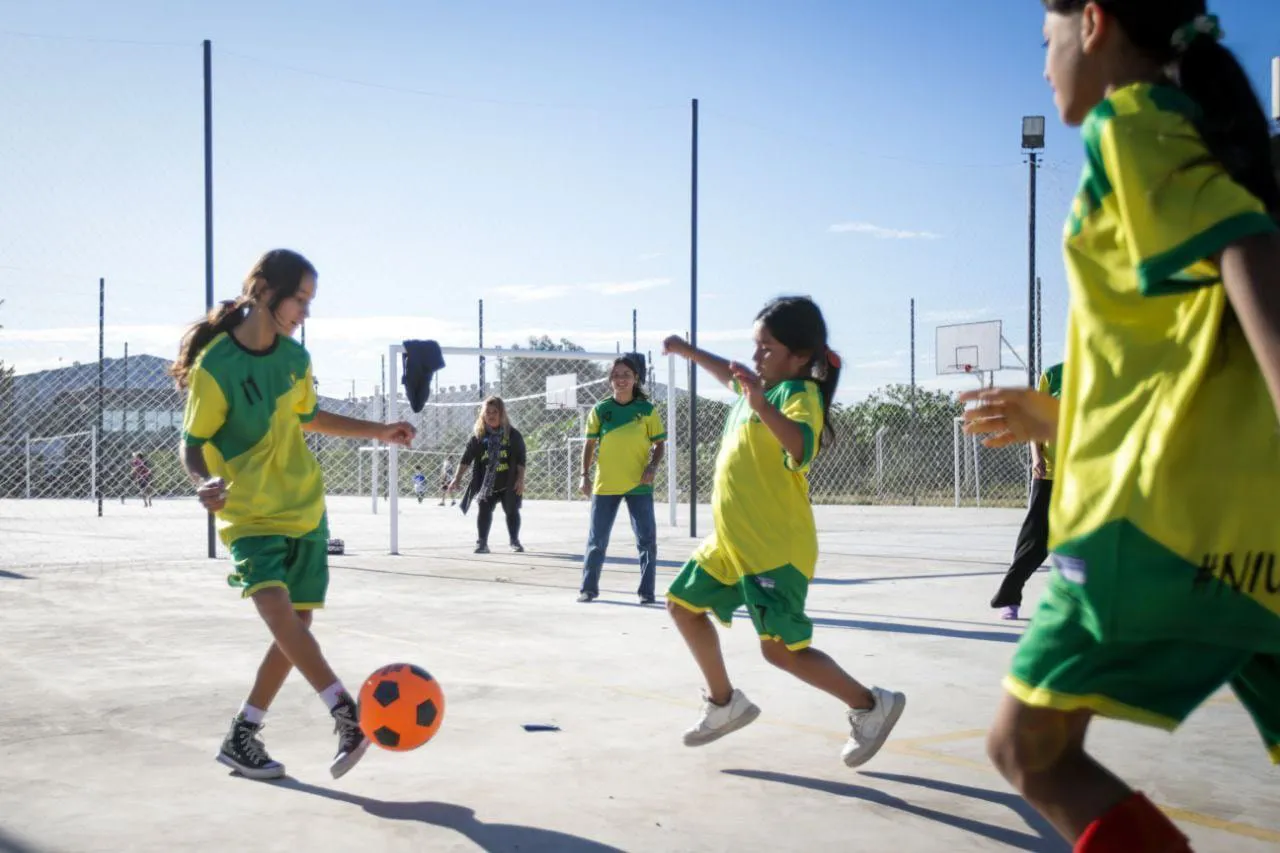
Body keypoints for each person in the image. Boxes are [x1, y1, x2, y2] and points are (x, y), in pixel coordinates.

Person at [962, 4, 1280, 851]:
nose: (1043, 65)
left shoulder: (1129, 127)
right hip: (1253, 538)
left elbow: (1248, 247)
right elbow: (1192, 378)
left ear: (1092, 22)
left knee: (1027, 748)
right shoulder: (1219, 144)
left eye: (1045, 41)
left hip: (1158, 538)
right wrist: (1053, 416)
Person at [171, 248, 416, 781]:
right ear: (264, 292)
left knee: (295, 627)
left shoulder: (295, 361)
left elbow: (310, 417)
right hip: (248, 514)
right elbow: (193, 443)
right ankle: (346, 712)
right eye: (300, 299)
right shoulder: (218, 366)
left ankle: (243, 734)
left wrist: (380, 431)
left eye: (309, 300)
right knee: (282, 616)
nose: (305, 311)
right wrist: (202, 480)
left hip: (304, 508)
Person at [661, 296, 906, 767]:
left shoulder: (799, 396)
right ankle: (723, 702)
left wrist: (757, 400)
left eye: (767, 349)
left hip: (774, 548)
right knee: (682, 605)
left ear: (800, 357)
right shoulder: (758, 389)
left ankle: (871, 705)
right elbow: (726, 372)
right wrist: (689, 352)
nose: (756, 358)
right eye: (755, 347)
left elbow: (800, 446)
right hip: (732, 543)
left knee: (781, 652)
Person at [578, 355, 666, 604]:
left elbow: (660, 445)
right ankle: (588, 588)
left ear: (635, 378)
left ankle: (646, 592)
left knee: (646, 540)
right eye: (616, 375)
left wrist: (652, 466)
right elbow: (589, 444)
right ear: (610, 380)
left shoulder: (647, 410)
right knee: (597, 540)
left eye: (626, 374)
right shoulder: (601, 410)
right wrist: (584, 476)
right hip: (605, 485)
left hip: (639, 485)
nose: (621, 379)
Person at [990, 362, 1064, 620]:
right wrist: (1036, 456)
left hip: (1087, 475)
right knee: (1034, 540)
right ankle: (1010, 597)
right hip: (1050, 472)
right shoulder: (1054, 375)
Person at [448, 397, 526, 554]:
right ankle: (482, 543)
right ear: (482, 415)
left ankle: (514, 541)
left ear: (502, 413)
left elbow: (521, 459)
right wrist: (457, 478)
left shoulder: (513, 435)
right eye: (487, 412)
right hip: (486, 485)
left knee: (512, 510)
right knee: (484, 511)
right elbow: (466, 460)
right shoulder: (478, 437)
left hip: (508, 483)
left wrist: (520, 480)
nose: (491, 415)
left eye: (495, 412)